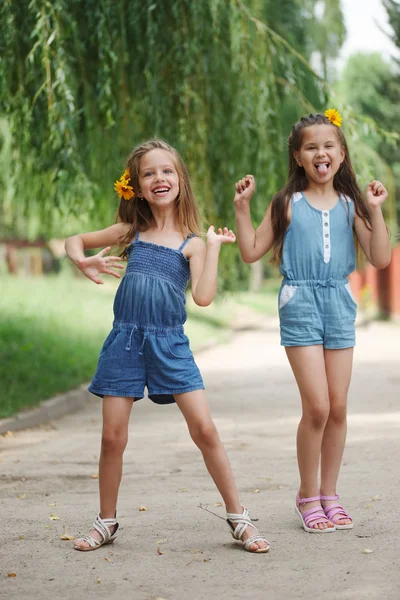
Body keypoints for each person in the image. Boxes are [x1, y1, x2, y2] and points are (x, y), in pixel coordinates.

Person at [65, 139, 269, 552]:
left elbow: (205, 297)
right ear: (137, 187)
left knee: (205, 429)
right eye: (149, 173)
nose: (159, 178)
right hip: (124, 340)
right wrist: (81, 259)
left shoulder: (193, 243)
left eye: (167, 171)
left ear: (181, 180)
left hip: (170, 344)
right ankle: (106, 521)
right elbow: (74, 240)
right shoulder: (130, 231)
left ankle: (239, 518)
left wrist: (211, 248)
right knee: (112, 437)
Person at [234, 110, 391, 533]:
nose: (320, 153)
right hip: (299, 301)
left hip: (339, 300)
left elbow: (380, 258)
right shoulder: (286, 202)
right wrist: (243, 208)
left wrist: (376, 211)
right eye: (311, 147)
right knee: (317, 406)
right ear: (298, 156)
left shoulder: (351, 203)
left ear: (341, 153)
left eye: (328, 146)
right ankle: (307, 495)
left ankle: (329, 494)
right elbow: (251, 251)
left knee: (338, 407)